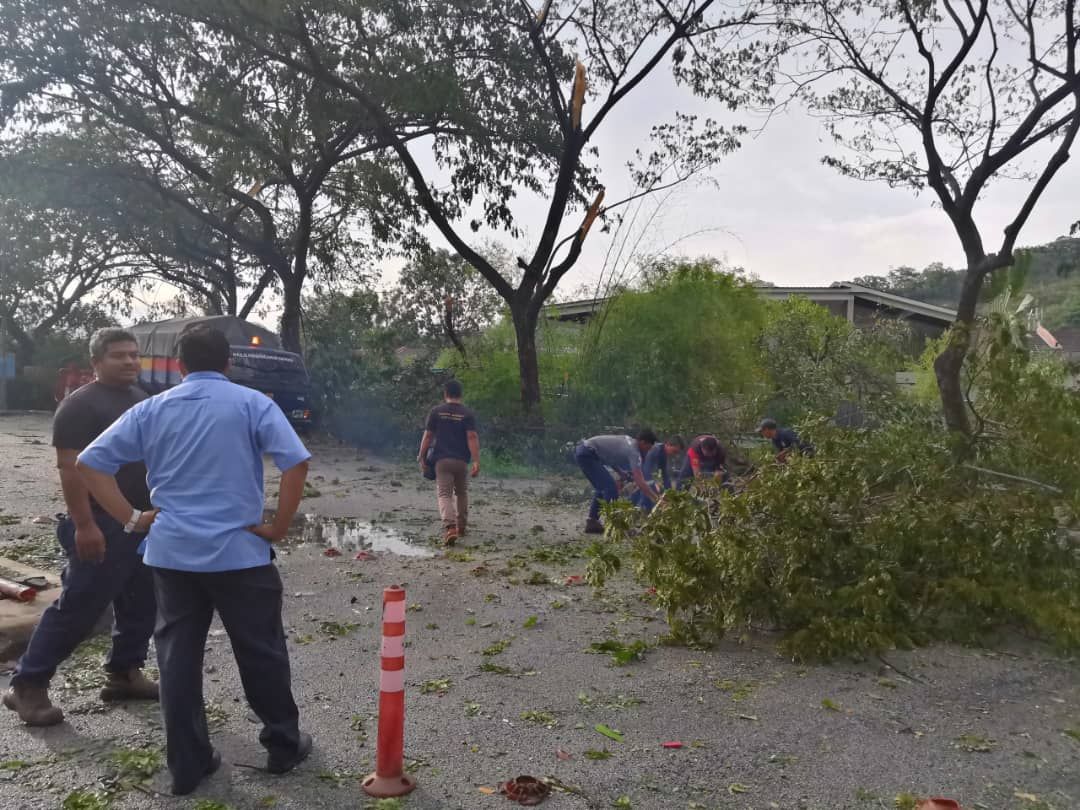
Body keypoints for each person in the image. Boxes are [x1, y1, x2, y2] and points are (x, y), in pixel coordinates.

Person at [76, 328, 313, 796]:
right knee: (261, 651)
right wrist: (278, 526)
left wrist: (131, 518)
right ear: (228, 363)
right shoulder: (252, 404)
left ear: (180, 366)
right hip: (240, 555)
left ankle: (187, 763)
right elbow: (295, 462)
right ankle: (283, 745)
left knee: (177, 658)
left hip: (173, 556)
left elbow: (89, 463)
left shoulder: (151, 409)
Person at [4, 329, 159, 727]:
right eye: (119, 355)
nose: (129, 361)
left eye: (133, 354)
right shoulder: (80, 405)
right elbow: (70, 469)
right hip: (101, 520)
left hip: (140, 519)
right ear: (96, 362)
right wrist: (84, 524)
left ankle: (124, 672)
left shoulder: (139, 397)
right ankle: (28, 684)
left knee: (141, 600)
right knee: (80, 606)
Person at [417, 379, 480, 545]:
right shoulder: (467, 413)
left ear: (445, 393)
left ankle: (450, 527)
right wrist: (476, 461)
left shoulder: (436, 411)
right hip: (461, 461)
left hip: (442, 461)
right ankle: (461, 526)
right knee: (461, 493)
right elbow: (472, 437)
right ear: (460, 394)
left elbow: (428, 436)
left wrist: (421, 455)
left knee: (444, 494)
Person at [574, 430, 658, 533]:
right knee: (610, 488)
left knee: (602, 488)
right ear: (643, 442)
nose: (647, 451)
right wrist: (656, 499)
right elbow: (640, 481)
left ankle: (592, 522)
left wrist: (621, 473)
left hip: (584, 450)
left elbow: (610, 457)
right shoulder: (634, 451)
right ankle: (615, 525)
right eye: (648, 448)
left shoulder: (628, 440)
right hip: (588, 453)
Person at [631, 435, 685, 512]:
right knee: (647, 498)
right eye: (674, 451)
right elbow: (647, 472)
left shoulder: (664, 454)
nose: (674, 455)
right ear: (668, 444)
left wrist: (670, 492)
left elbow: (665, 475)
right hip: (638, 472)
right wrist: (655, 492)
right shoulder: (655, 450)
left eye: (677, 453)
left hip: (645, 477)